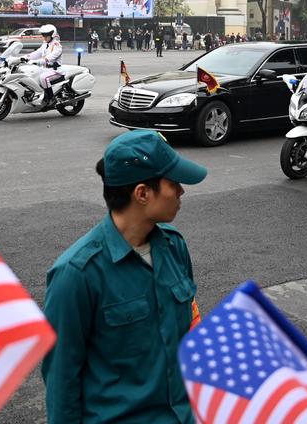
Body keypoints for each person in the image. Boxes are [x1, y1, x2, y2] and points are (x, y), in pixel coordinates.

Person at [42, 129, 207, 423]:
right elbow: (61, 383)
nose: (181, 190)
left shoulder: (174, 247)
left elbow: (189, 332)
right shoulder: (76, 275)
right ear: (142, 193)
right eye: (173, 183)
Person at [24, 24, 63, 107]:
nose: (44, 37)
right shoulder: (45, 44)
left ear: (52, 35)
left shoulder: (57, 46)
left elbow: (51, 57)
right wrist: (24, 57)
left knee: (43, 78)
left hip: (55, 70)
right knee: (30, 75)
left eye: (46, 35)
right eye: (43, 35)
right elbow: (37, 53)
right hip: (45, 69)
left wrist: (39, 62)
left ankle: (51, 98)